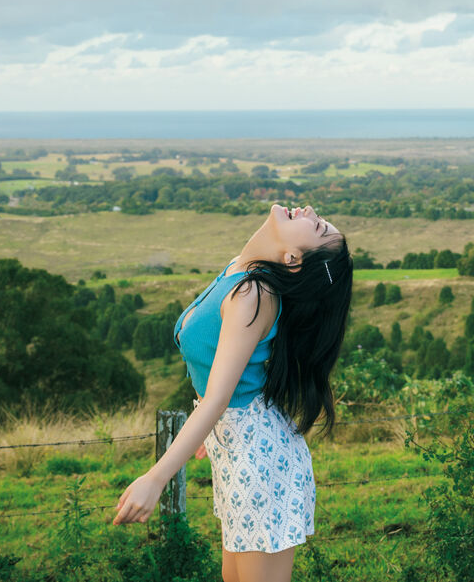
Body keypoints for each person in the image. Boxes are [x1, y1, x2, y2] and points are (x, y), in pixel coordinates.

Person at [113, 203, 353, 582]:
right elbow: (218, 372)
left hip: (260, 461)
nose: (308, 210)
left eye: (318, 225)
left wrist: (156, 478)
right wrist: (213, 429)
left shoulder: (251, 294)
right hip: (238, 448)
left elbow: (219, 398)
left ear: (292, 259)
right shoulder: (239, 269)